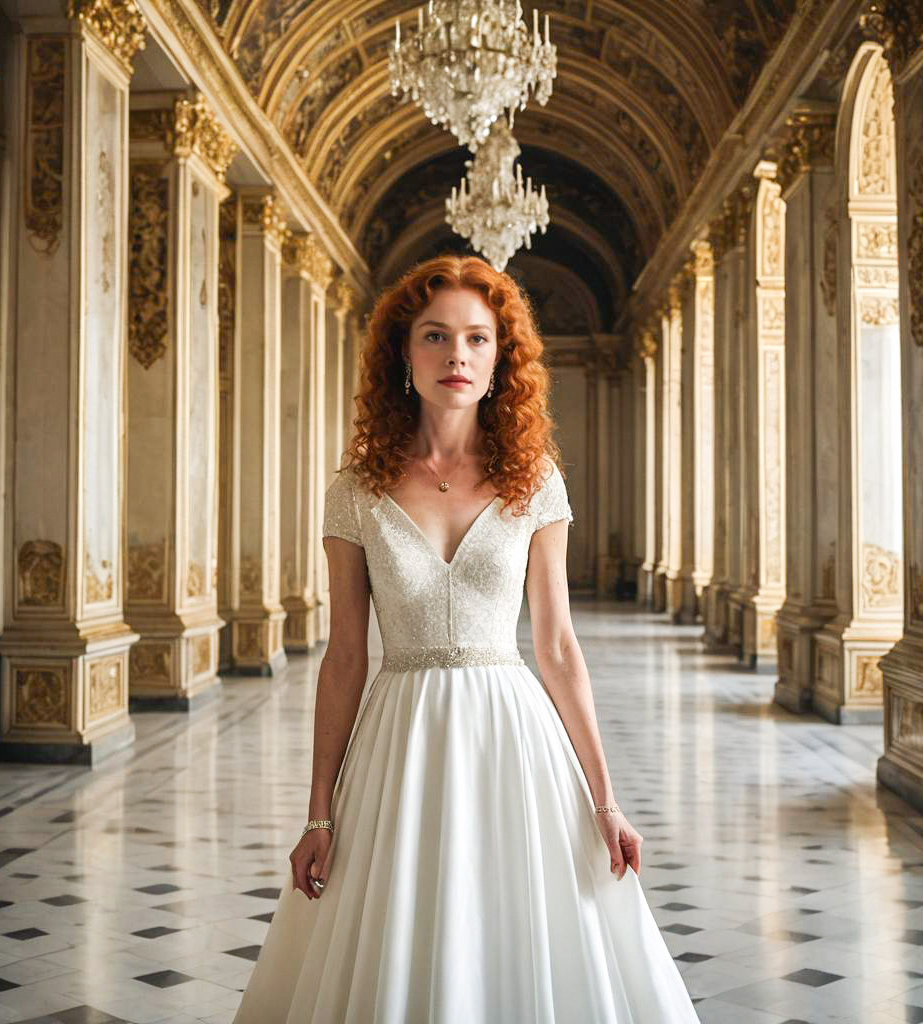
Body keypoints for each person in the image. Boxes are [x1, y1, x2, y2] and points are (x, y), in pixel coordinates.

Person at [232, 255, 700, 1023]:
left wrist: (606, 801)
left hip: (512, 740)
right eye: (436, 336)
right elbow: (345, 656)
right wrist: (318, 815)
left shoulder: (533, 477)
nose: (457, 356)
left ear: (499, 361)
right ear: (403, 355)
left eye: (478, 340)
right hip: (399, 744)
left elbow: (556, 647)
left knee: (520, 930)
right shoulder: (355, 489)